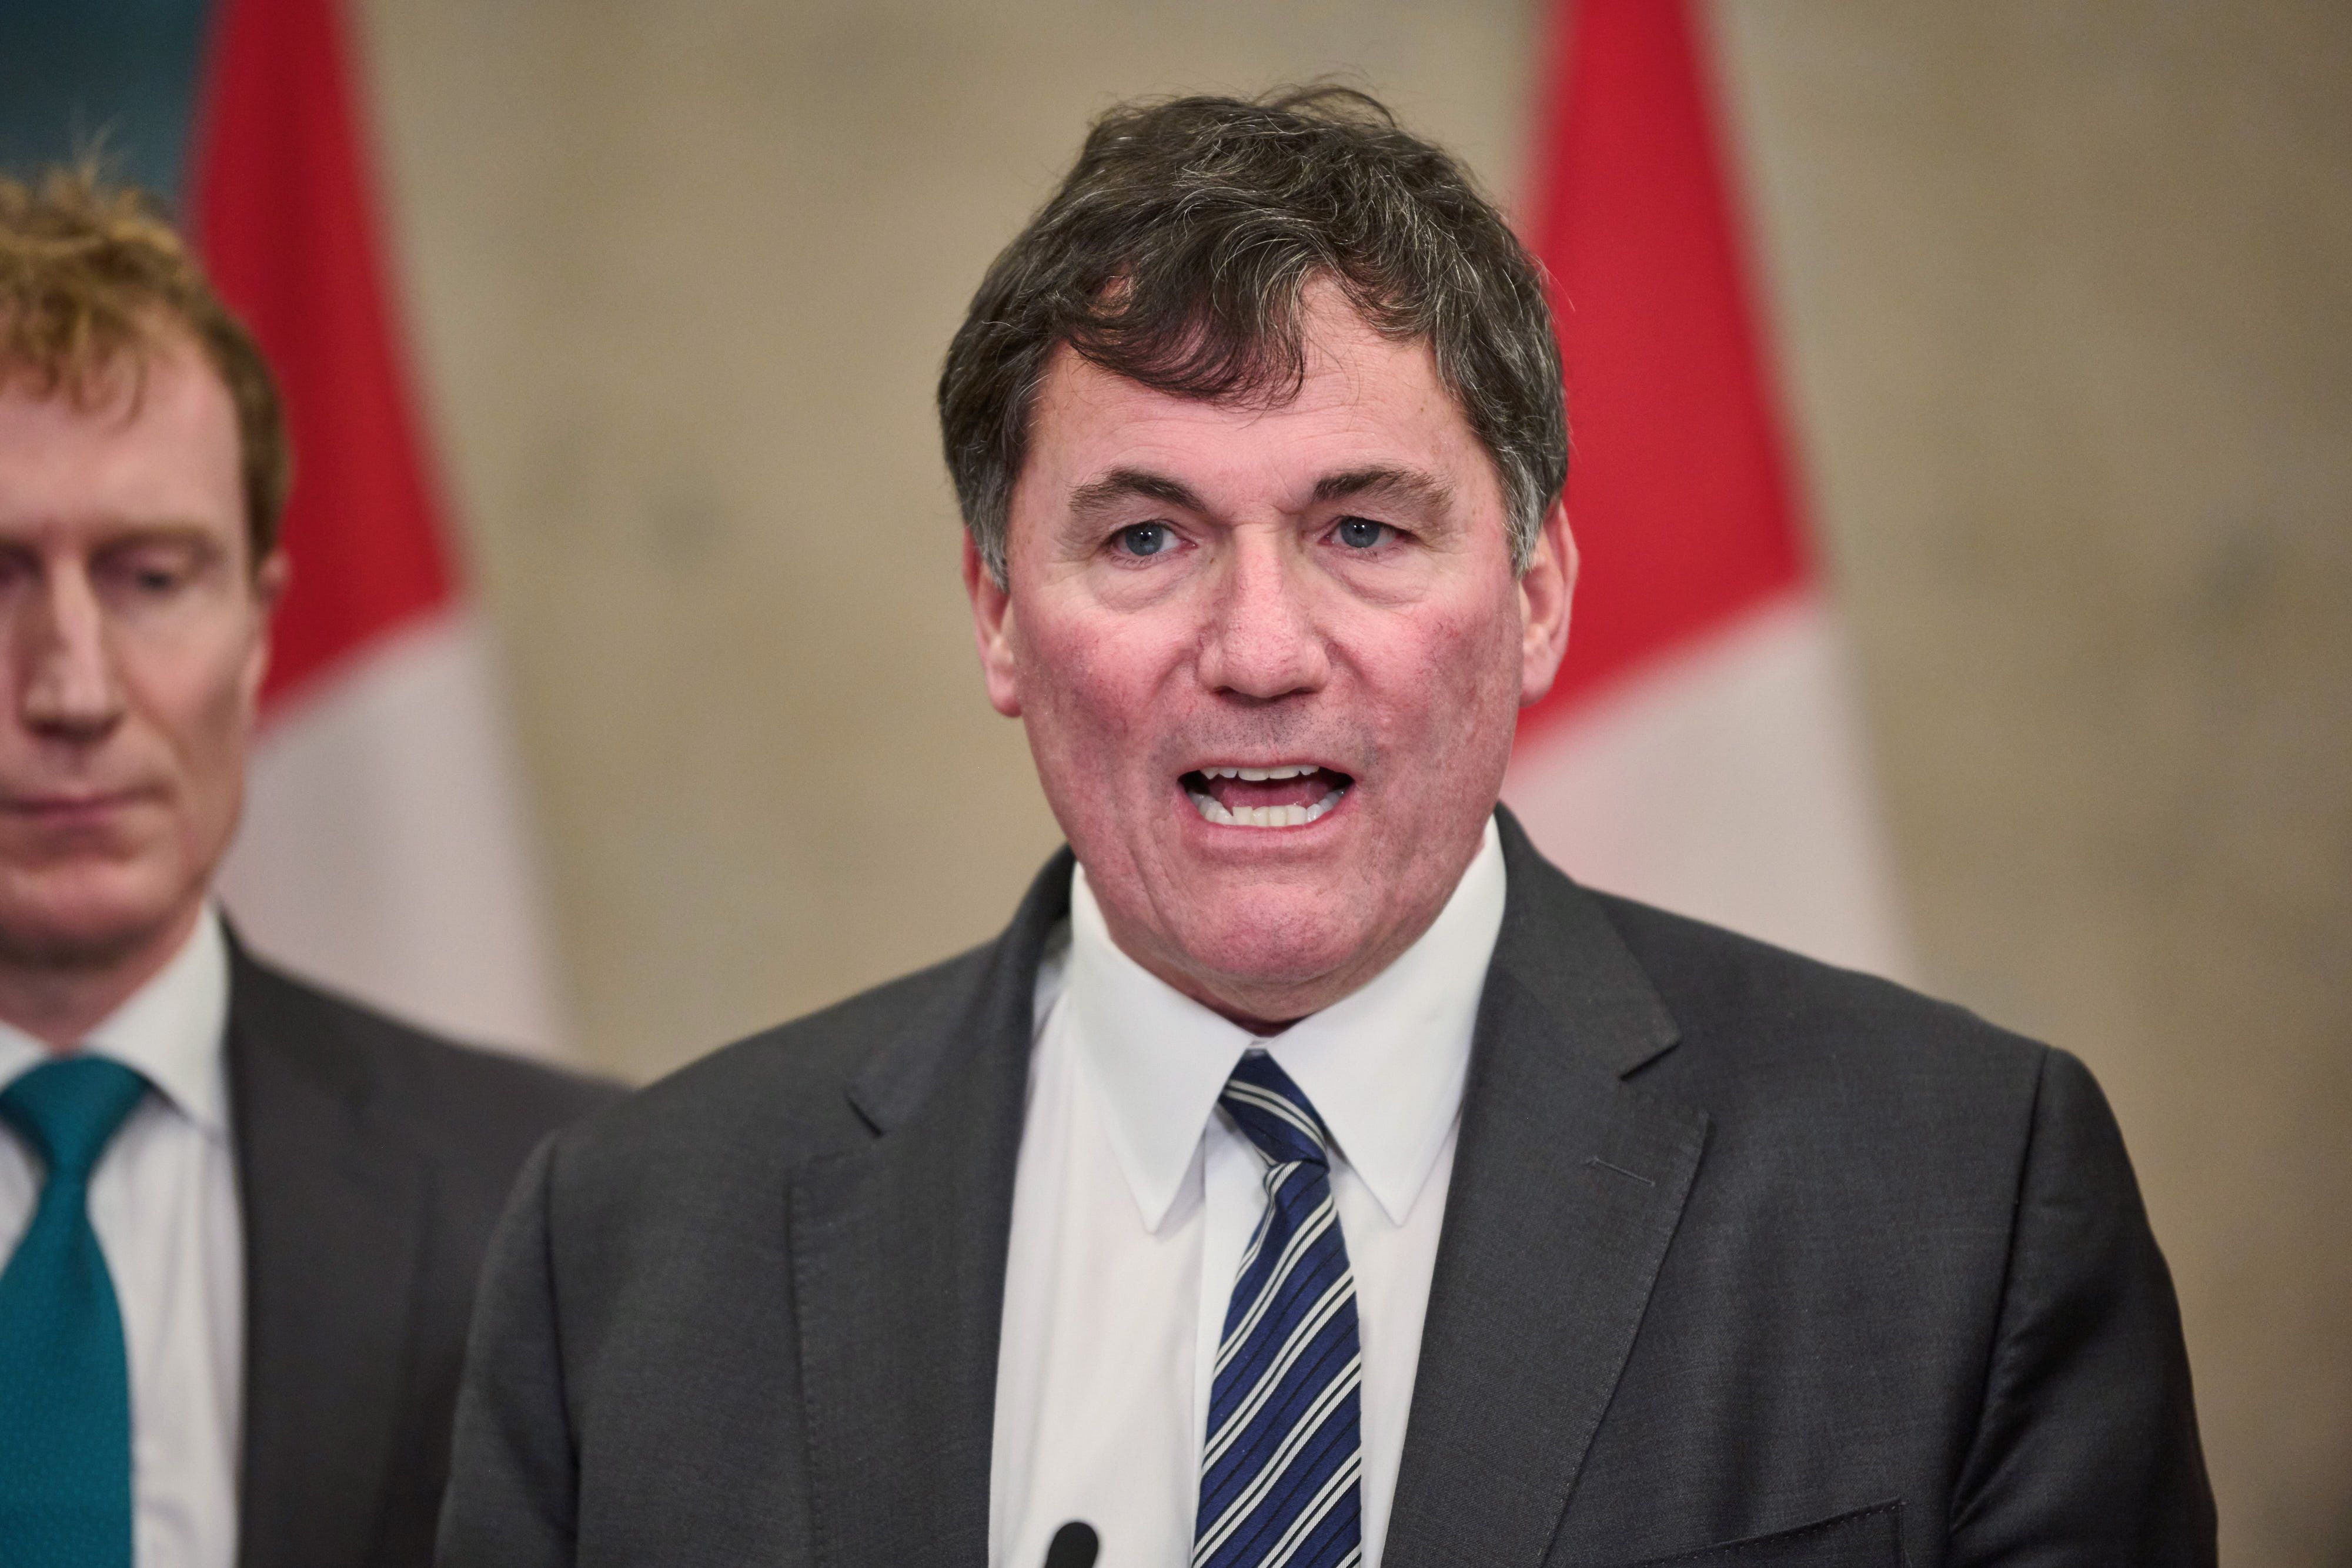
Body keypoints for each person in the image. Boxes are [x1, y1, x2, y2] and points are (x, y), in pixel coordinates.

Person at [439, 90, 2213, 1567]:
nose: (1263, 649)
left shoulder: (1957, 1199)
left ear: (1535, 594)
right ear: (995, 611)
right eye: (1146, 536)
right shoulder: (631, 1252)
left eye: (1364, 527)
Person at [0, 168, 618, 1568]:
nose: (75, 686)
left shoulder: (562, 1202)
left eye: (152, 575)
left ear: (260, 629)